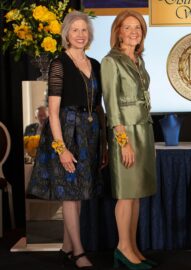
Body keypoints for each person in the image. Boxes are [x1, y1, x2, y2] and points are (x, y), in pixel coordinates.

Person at [27, 10, 107, 269]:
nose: (80, 35)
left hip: (90, 134)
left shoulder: (95, 64)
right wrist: (60, 149)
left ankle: (66, 247)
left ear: (90, 34)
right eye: (75, 30)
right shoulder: (59, 63)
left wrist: (103, 141)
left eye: (84, 30)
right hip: (67, 132)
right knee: (71, 194)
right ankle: (78, 253)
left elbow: (98, 106)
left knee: (79, 193)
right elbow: (52, 111)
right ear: (66, 35)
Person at [101, 10, 157, 270]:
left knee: (136, 195)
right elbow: (112, 107)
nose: (134, 31)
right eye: (128, 27)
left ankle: (131, 246)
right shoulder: (111, 61)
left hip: (143, 131)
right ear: (118, 31)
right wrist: (123, 142)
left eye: (138, 27)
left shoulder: (138, 59)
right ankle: (123, 248)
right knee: (126, 195)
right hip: (126, 133)